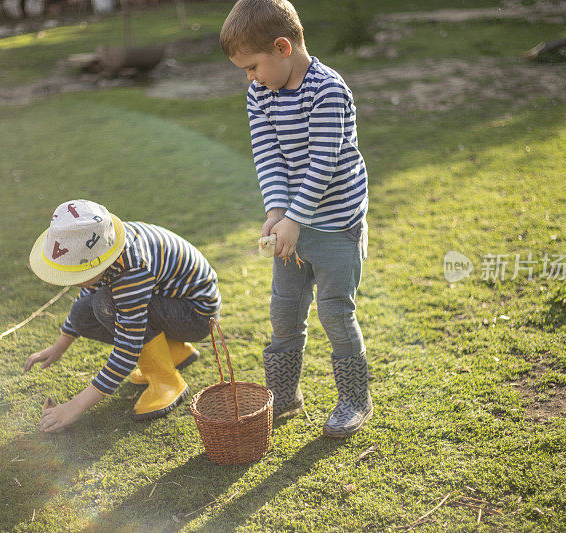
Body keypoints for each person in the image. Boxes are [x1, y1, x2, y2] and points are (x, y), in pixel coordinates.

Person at [220, 0, 372, 437]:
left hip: (337, 226)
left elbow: (324, 163)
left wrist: (295, 218)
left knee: (335, 314)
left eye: (252, 66)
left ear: (282, 47)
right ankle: (284, 396)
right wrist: (276, 211)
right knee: (285, 313)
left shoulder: (327, 91)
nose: (251, 79)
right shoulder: (260, 93)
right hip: (293, 227)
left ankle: (355, 400)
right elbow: (266, 153)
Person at [25, 199, 221, 432]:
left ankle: (166, 381)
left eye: (75, 275)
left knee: (106, 304)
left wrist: (74, 407)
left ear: (95, 266)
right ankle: (173, 352)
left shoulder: (132, 269)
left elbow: (128, 348)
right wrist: (59, 346)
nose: (70, 282)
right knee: (84, 312)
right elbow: (88, 290)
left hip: (196, 316)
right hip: (171, 304)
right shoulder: (103, 243)